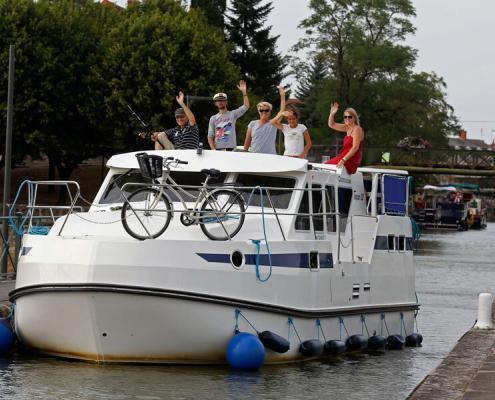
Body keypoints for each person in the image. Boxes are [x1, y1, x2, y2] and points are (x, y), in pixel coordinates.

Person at [208, 80, 250, 151]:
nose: (220, 102)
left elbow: (246, 106)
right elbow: (210, 136)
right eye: (218, 100)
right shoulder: (213, 118)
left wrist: (244, 92)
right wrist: (213, 150)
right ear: (215, 103)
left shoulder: (232, 114)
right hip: (218, 150)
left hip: (231, 149)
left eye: (222, 100)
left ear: (226, 102)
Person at [243, 86, 286, 154]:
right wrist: (244, 154)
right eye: (261, 110)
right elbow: (247, 141)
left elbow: (282, 110)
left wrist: (282, 96)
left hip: (270, 157)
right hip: (254, 156)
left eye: (266, 110)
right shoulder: (252, 123)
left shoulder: (274, 123)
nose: (264, 112)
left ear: (270, 112)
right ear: (258, 111)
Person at [325, 102, 364, 174]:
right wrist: (332, 114)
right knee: (324, 166)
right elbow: (331, 124)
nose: (347, 118)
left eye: (350, 117)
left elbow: (355, 147)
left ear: (354, 118)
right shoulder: (347, 128)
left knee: (326, 166)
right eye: (345, 117)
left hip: (350, 160)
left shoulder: (357, 129)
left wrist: (343, 160)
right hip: (342, 157)